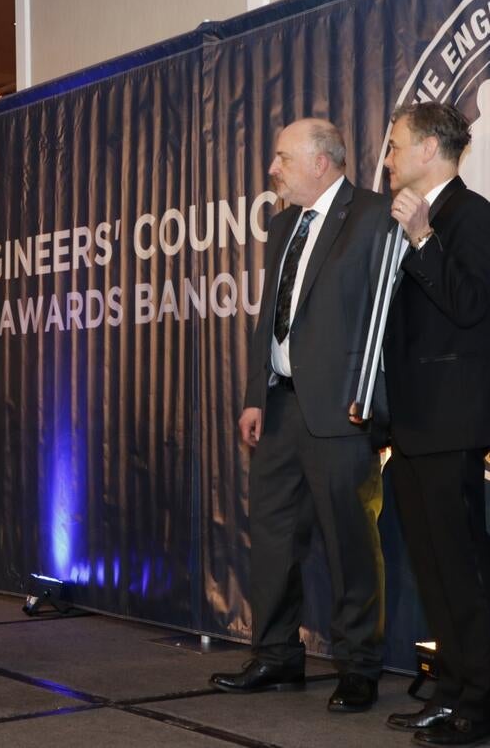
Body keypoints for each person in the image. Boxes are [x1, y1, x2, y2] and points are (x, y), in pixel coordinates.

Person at [210, 119, 389, 712]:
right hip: (281, 404)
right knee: (273, 537)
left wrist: (371, 397)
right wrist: (255, 394)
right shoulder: (284, 222)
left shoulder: (372, 216)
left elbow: (383, 317)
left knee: (348, 542)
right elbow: (272, 316)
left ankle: (359, 666)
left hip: (342, 408)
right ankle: (276, 655)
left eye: (282, 158)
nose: (272, 170)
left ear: (322, 161)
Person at [381, 102, 490, 746]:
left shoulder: (470, 216)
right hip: (415, 424)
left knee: (460, 569)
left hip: (451, 424)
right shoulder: (409, 221)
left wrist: (423, 240)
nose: (389, 157)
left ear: (429, 150)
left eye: (395, 145)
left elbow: (473, 306)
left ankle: (478, 704)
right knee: (433, 569)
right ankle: (452, 694)